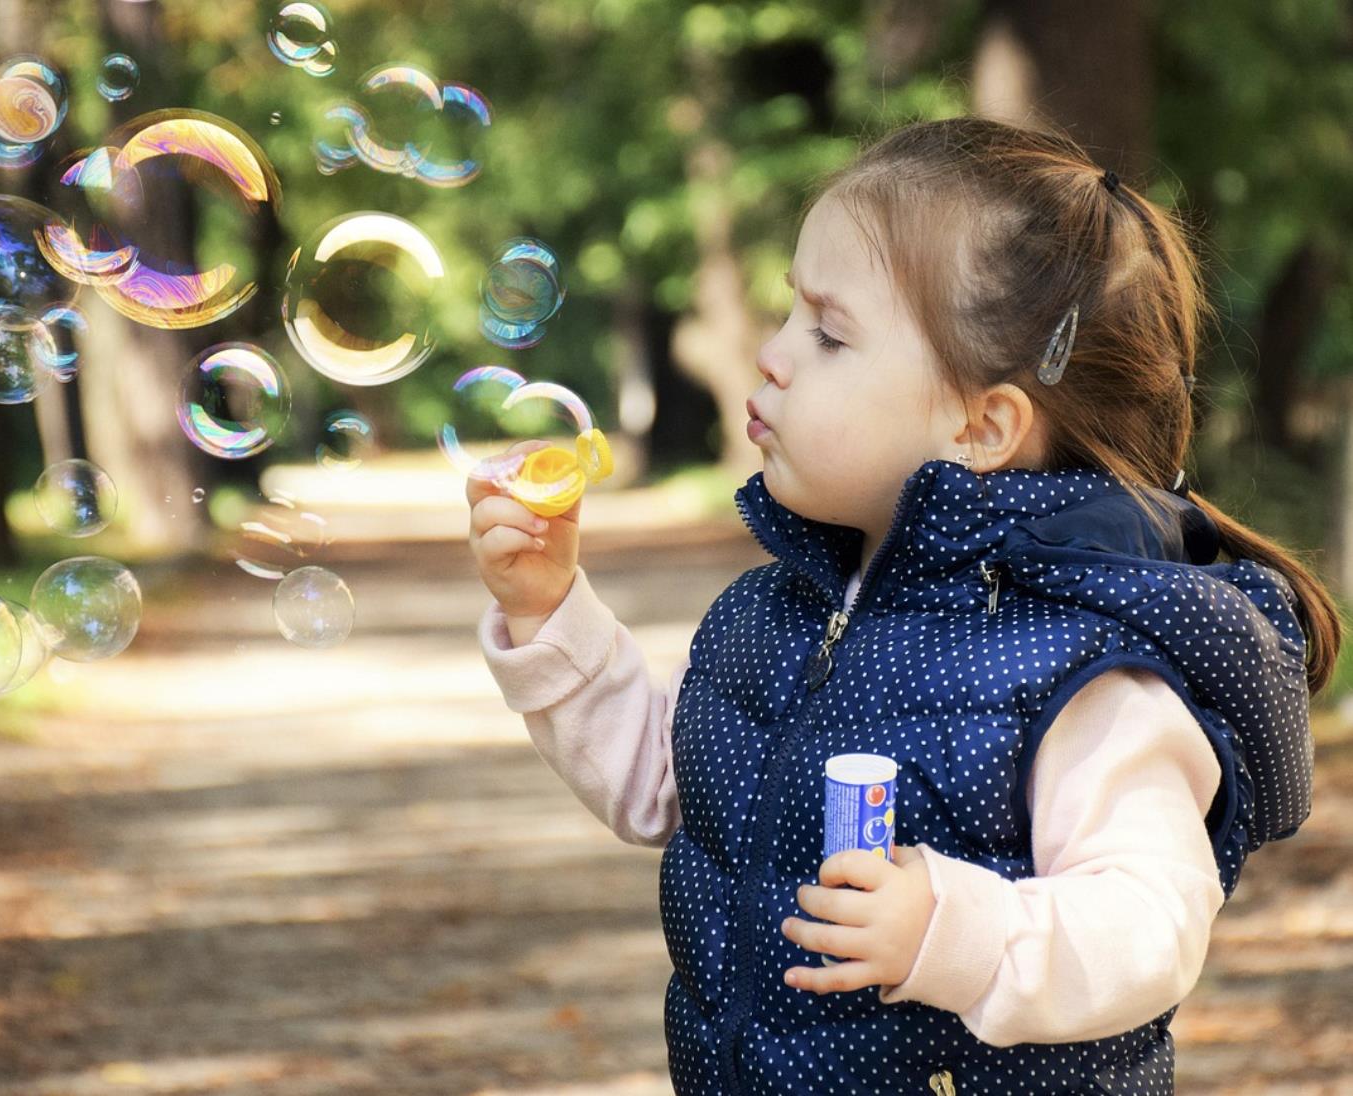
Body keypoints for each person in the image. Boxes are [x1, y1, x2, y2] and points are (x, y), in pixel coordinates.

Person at [466, 115, 1340, 1095]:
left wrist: (951, 929)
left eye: (829, 333)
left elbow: (1148, 922)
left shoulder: (1075, 670)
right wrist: (549, 613)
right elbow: (665, 784)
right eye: (790, 312)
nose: (770, 354)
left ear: (980, 424)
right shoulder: (776, 615)